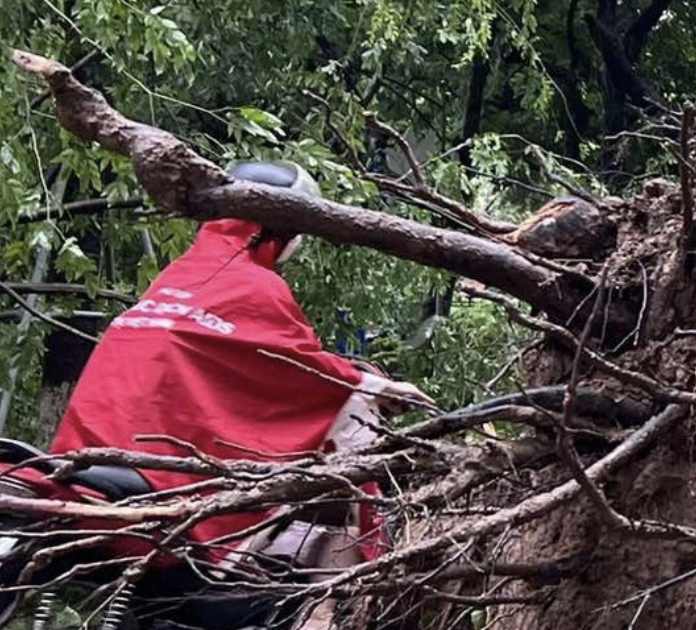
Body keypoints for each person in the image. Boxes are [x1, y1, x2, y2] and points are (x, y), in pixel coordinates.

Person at [53, 162, 430, 572]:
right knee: (351, 452)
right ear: (284, 229)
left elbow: (238, 361)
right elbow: (298, 369)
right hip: (163, 477)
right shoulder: (257, 285)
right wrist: (368, 387)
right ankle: (351, 591)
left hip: (92, 451)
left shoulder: (180, 274)